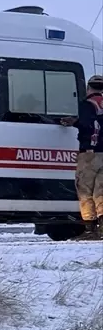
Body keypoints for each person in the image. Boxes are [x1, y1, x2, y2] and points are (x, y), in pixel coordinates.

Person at [61, 74, 103, 239]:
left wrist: (73, 122)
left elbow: (88, 124)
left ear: (88, 89)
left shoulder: (87, 105)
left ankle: (90, 229)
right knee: (101, 191)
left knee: (85, 191)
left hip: (90, 154)